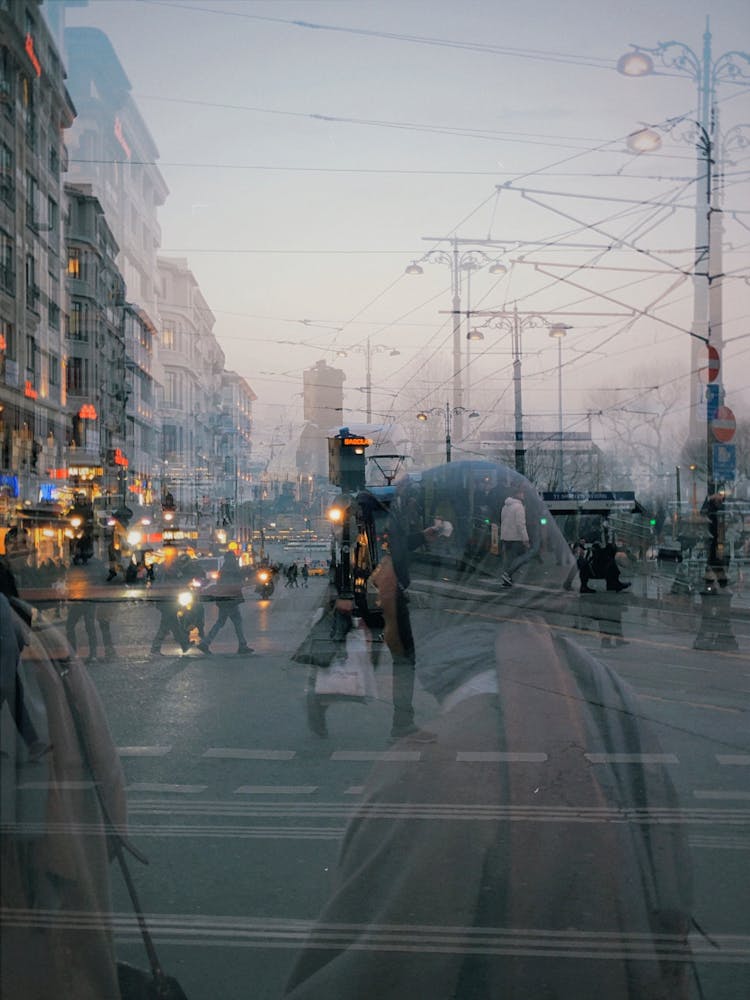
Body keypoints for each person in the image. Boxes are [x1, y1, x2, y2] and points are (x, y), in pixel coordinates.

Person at [284, 460, 695, 1000]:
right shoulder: (593, 695)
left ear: (432, 586)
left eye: (392, 557)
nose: (380, 577)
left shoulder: (433, 776)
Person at [1, 565, 127, 999]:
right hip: (61, 859)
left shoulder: (24, 650)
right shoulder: (45, 644)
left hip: (30, 874)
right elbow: (107, 769)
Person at [199, 549, 252, 655]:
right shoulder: (233, 569)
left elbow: (220, 584)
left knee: (224, 622)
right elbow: (238, 583)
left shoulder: (223, 569)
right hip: (230, 599)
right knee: (234, 622)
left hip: (224, 599)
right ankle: (242, 645)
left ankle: (206, 643)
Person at [499, 488, 529, 586]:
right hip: (516, 537)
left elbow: (502, 521)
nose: (523, 495)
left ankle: (507, 579)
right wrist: (525, 539)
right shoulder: (519, 507)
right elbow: (520, 524)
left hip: (505, 537)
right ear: (518, 494)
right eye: (522, 493)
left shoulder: (505, 506)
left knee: (509, 559)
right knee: (523, 557)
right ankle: (508, 574)